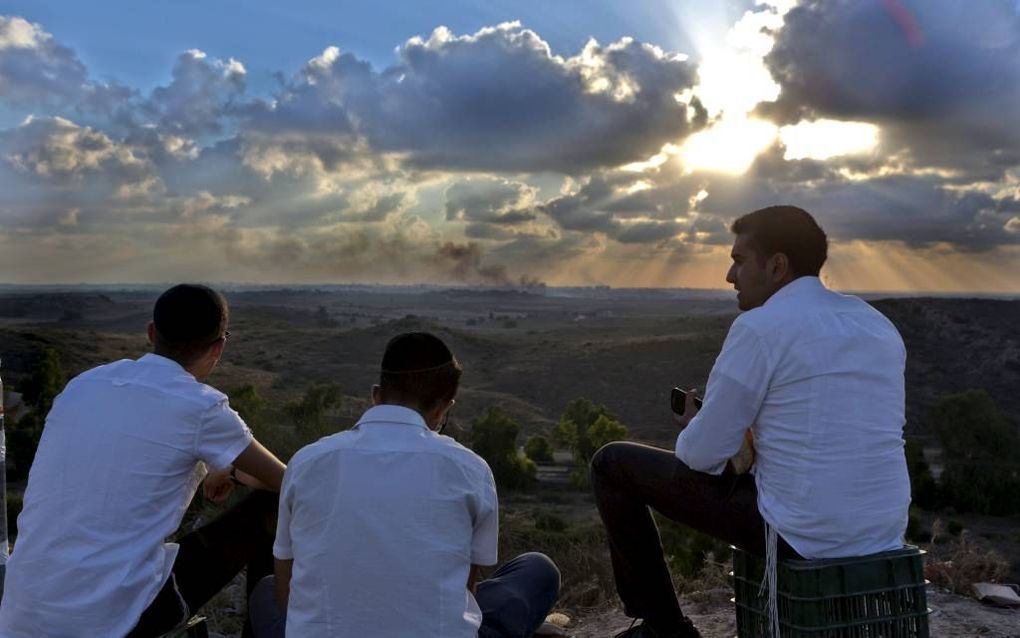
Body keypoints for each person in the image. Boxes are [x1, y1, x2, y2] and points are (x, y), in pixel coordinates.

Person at [591, 206, 910, 638]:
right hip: (882, 532)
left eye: (739, 261)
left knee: (612, 463)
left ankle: (664, 627)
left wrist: (694, 427)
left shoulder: (759, 328)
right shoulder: (878, 326)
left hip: (803, 535)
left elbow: (701, 457)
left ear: (777, 266)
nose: (729, 275)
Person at [0, 284, 287, 638]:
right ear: (219, 347)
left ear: (151, 333)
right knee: (273, 506)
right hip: (109, 623)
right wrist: (232, 471)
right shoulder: (202, 408)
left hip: (21, 613)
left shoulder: (84, 384)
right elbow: (286, 481)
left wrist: (222, 468)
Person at [249, 331, 560, 638]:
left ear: (376, 396)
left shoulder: (307, 461)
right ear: (442, 408)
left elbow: (286, 590)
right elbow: (465, 591)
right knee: (537, 570)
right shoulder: (470, 469)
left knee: (265, 592)